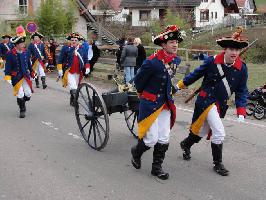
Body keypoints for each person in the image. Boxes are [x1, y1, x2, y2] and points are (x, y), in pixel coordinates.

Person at [176, 27, 249, 176]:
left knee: (201, 132)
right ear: (225, 49)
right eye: (231, 49)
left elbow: (242, 90)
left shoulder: (242, 69)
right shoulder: (212, 62)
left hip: (220, 105)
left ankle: (185, 144)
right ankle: (218, 163)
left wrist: (241, 110)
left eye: (237, 49)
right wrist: (179, 86)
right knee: (219, 133)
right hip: (206, 101)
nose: (234, 52)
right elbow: (195, 75)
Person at [131, 25, 183, 180]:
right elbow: (139, 83)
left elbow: (170, 81)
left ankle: (157, 168)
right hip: (151, 103)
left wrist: (172, 89)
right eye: (171, 42)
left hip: (165, 104)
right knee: (151, 139)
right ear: (163, 44)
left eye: (176, 41)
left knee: (164, 137)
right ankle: (136, 152)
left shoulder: (176, 60)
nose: (175, 44)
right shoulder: (151, 62)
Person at [4, 27, 35, 118]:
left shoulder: (27, 52)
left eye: (23, 42)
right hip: (16, 77)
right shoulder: (10, 54)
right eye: (21, 43)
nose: (23, 44)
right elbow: (8, 66)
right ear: (16, 45)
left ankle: (21, 101)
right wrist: (7, 77)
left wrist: (32, 73)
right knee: (20, 94)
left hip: (25, 76)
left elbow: (29, 64)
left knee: (28, 94)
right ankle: (22, 109)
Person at [57, 32, 90, 106]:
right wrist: (60, 69)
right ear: (70, 40)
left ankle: (72, 99)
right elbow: (60, 59)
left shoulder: (82, 49)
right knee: (73, 86)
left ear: (78, 41)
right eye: (72, 40)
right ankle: (76, 102)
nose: (74, 41)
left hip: (78, 72)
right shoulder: (66, 48)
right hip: (69, 71)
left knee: (77, 87)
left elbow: (86, 59)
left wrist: (87, 67)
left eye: (75, 40)